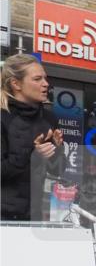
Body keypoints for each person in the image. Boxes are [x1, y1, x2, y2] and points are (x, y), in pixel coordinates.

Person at [1, 55, 64, 221]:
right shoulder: (2, 117)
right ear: (16, 84)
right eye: (37, 79)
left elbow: (58, 170)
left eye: (45, 78)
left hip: (33, 217)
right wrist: (33, 154)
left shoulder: (49, 119)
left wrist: (55, 151)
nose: (45, 84)